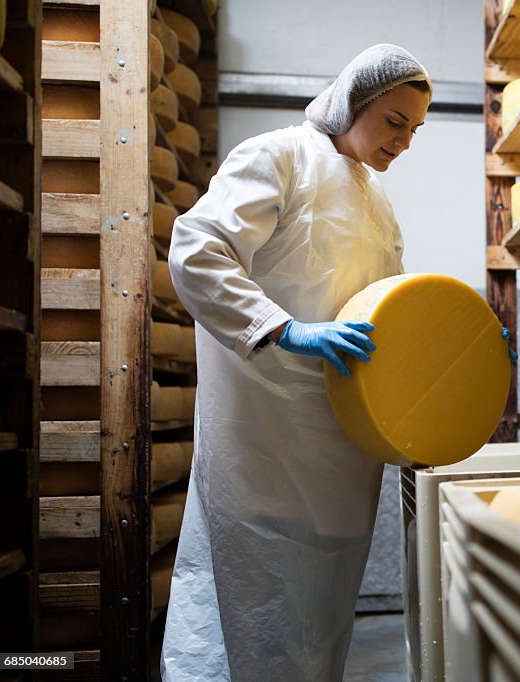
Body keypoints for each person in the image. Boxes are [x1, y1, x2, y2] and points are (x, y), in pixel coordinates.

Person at [160, 44, 433, 681]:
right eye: (395, 122)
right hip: (263, 432)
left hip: (341, 443)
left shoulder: (377, 203)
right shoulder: (277, 156)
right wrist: (283, 330)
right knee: (250, 596)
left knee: (322, 607)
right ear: (353, 102)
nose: (405, 142)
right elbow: (198, 251)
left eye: (415, 130)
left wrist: (456, 344)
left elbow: (391, 306)